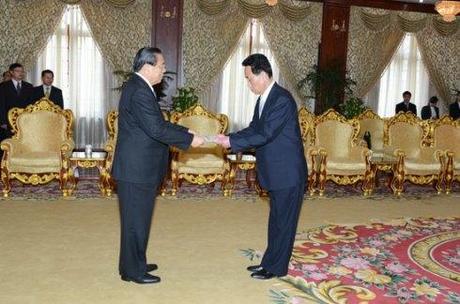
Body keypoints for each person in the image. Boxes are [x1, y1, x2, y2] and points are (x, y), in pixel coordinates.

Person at [112, 47, 204, 284]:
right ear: (147, 66)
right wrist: (189, 139)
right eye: (161, 65)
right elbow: (156, 129)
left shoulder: (140, 87)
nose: (164, 69)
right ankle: (134, 271)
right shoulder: (139, 91)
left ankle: (133, 263)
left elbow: (155, 124)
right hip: (136, 169)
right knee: (136, 222)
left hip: (140, 167)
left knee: (137, 220)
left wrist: (185, 130)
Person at [215, 54, 307, 280]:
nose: (248, 84)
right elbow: (254, 128)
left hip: (288, 173)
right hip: (277, 172)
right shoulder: (265, 99)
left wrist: (232, 142)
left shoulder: (282, 99)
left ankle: (275, 268)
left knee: (283, 224)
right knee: (276, 220)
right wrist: (229, 138)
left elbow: (265, 134)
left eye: (249, 78)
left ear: (262, 74)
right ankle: (268, 263)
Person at [0, 63, 34, 142]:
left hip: (25, 121)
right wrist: (3, 122)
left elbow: (31, 105)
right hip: (8, 121)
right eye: (18, 71)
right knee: (9, 143)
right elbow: (1, 105)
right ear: (11, 72)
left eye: (22, 71)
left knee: (23, 142)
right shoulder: (3, 86)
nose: (20, 73)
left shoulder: (29, 86)